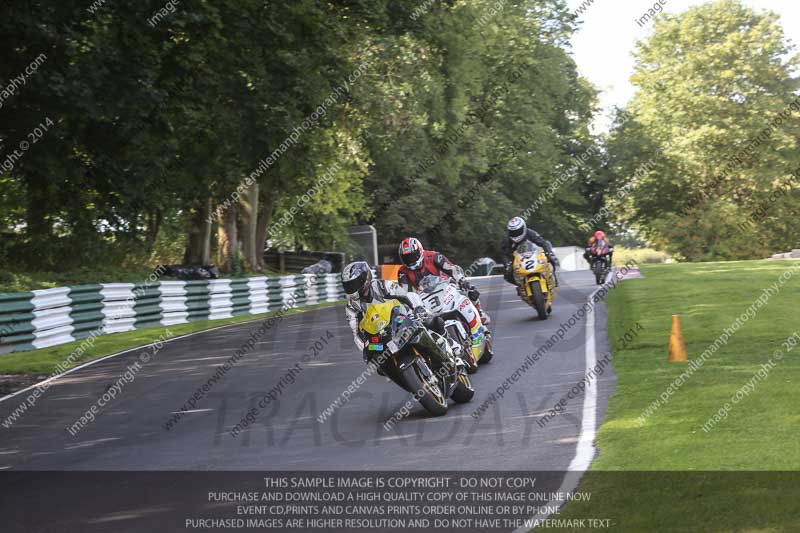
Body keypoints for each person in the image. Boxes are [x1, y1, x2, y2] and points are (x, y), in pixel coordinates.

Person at [341, 261, 462, 383]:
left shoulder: (382, 285)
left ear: (364, 279)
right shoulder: (351, 306)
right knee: (378, 365)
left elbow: (406, 295)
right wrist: (365, 348)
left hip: (403, 317)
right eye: (348, 286)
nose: (351, 288)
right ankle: (404, 377)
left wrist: (417, 308)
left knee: (433, 321)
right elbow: (355, 332)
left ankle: (452, 345)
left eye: (353, 284)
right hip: (381, 334)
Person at [396, 237, 490, 326]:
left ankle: (479, 312)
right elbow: (405, 293)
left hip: (447, 285)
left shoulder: (433, 256)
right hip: (425, 296)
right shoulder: (403, 272)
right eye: (406, 258)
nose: (410, 261)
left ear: (420, 251)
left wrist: (462, 280)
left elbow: (452, 268)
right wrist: (411, 305)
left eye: (412, 256)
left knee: (470, 290)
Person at [501, 216, 559, 287]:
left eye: (518, 231)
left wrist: (549, 253)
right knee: (507, 274)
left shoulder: (530, 232)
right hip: (517, 259)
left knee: (551, 257)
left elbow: (543, 242)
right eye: (513, 232)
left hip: (534, 254)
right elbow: (504, 254)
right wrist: (507, 264)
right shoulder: (507, 240)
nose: (516, 234)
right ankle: (521, 285)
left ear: (524, 228)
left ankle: (553, 276)